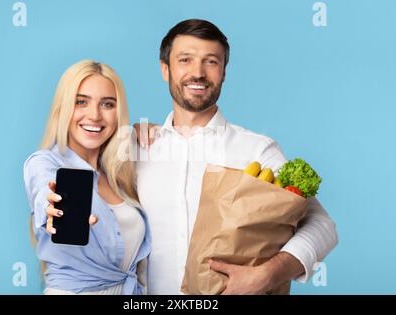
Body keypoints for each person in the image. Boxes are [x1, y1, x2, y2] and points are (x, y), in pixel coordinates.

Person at [134, 19, 338, 294]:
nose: (198, 72)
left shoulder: (256, 150)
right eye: (185, 60)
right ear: (165, 69)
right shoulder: (136, 149)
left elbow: (322, 225)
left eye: (211, 62)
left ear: (224, 72)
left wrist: (268, 274)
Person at [23, 60, 151, 295]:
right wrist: (50, 206)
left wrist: (149, 131)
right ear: (63, 109)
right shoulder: (44, 163)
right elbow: (43, 188)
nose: (94, 115)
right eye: (81, 102)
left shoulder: (121, 173)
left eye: (107, 104)